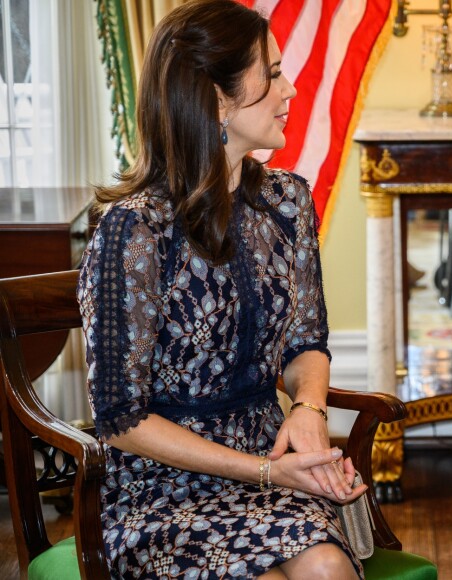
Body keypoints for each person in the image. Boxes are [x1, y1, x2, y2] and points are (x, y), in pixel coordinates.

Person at [77, 1, 366, 578]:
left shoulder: (287, 201)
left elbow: (306, 339)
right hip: (162, 490)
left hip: (274, 460)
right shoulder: (133, 230)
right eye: (274, 74)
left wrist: (308, 409)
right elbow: (120, 418)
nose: (290, 88)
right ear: (217, 101)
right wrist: (262, 472)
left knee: (329, 569)